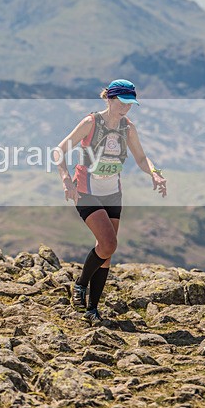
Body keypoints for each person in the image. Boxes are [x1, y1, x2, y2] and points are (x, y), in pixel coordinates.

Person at [54, 79, 167, 324]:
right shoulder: (90, 123)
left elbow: (141, 157)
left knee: (108, 251)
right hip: (85, 190)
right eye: (123, 102)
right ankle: (81, 284)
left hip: (113, 192)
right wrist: (65, 179)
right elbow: (59, 150)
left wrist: (155, 173)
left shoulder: (128, 128)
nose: (126, 107)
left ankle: (92, 309)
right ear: (110, 99)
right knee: (107, 243)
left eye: (130, 103)